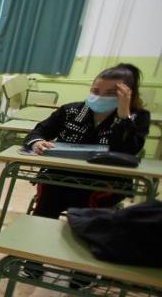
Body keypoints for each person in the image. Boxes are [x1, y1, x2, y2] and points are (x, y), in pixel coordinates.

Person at [23, 63, 151, 218]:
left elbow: (127, 151)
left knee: (87, 220)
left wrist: (123, 115)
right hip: (59, 177)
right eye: (96, 91)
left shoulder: (137, 117)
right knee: (47, 205)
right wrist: (37, 142)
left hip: (104, 182)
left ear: (126, 95)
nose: (100, 96)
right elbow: (39, 131)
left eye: (110, 93)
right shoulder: (70, 110)